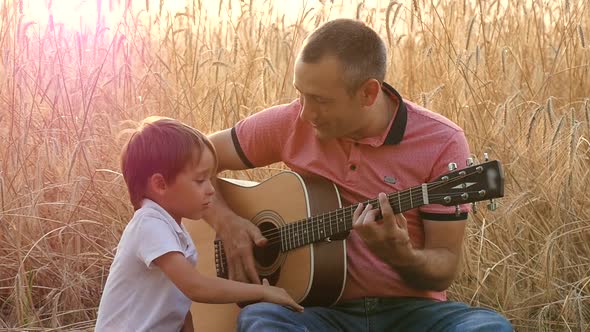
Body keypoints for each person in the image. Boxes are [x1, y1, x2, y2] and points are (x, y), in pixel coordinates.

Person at [203, 19, 513, 331]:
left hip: (413, 314)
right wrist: (226, 222)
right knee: (261, 320)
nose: (304, 113)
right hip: (316, 312)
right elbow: (193, 158)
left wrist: (400, 254)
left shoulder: (441, 141)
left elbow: (443, 267)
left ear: (368, 93)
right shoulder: (290, 123)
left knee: (488, 327)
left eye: (321, 100)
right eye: (301, 94)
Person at [95, 116, 303, 332]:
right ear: (160, 184)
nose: (211, 190)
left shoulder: (174, 230)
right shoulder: (148, 225)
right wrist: (262, 292)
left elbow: (179, 309)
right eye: (200, 180)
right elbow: (196, 287)